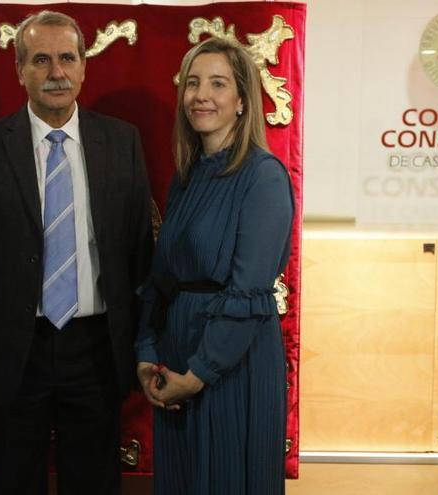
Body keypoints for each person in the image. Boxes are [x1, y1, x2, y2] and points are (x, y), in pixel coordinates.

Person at [0, 10, 153, 495]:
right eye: (41, 60)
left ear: (83, 67)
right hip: (15, 349)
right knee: (15, 481)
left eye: (66, 58)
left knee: (95, 482)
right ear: (20, 70)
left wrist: (146, 347)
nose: (56, 72)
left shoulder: (122, 142)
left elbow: (140, 255)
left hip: (98, 349)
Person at [135, 37, 294, 495]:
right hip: (178, 359)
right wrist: (147, 353)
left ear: (242, 100)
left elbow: (249, 291)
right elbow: (161, 279)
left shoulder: (263, 176)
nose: (201, 95)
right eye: (193, 83)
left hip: (232, 365)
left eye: (218, 84)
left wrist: (200, 372)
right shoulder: (187, 177)